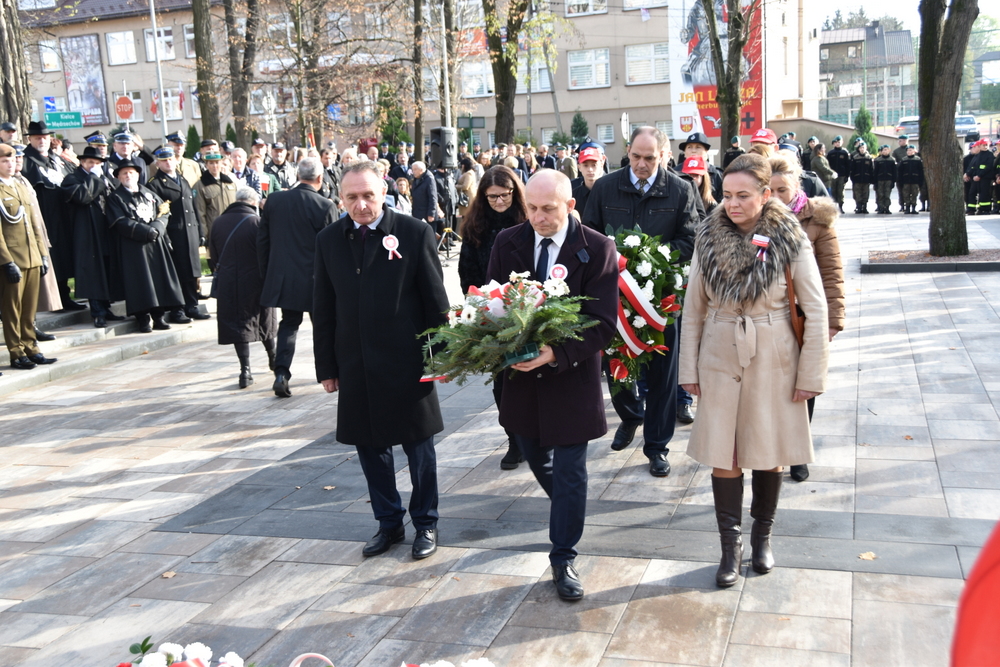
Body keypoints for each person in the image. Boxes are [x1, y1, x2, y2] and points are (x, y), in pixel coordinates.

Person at [679, 153, 829, 588]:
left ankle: (762, 537)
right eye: (726, 195)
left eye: (743, 195)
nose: (733, 204)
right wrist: (688, 369)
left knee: (768, 451)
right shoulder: (707, 237)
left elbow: (815, 311)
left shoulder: (791, 238)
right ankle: (731, 547)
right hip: (720, 353)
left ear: (766, 195)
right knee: (723, 454)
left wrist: (810, 376)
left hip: (775, 356)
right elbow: (693, 311)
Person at [486, 169, 618, 600]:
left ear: (570, 206)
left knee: (570, 469)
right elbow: (490, 303)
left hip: (571, 377)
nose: (538, 218)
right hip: (521, 379)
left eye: (548, 209)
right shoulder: (509, 242)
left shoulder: (597, 248)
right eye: (532, 208)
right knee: (531, 451)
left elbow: (602, 323)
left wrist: (555, 353)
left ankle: (563, 556)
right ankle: (566, 503)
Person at [313, 160, 450, 561]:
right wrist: (328, 367)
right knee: (371, 449)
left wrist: (437, 357)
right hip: (356, 365)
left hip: (408, 364)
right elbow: (322, 308)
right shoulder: (329, 240)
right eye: (351, 197)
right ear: (341, 199)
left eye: (368, 196)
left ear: (384, 193)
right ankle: (388, 523)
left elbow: (435, 304)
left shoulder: (413, 232)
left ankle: (426, 522)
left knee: (419, 449)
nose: (360, 205)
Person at [582, 126, 698, 477]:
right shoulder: (605, 187)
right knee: (614, 368)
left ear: (663, 155)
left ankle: (657, 446)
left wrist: (650, 256)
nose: (642, 164)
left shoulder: (681, 190)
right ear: (627, 152)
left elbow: (692, 239)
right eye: (636, 156)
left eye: (650, 158)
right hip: (614, 297)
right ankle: (631, 414)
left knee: (662, 377)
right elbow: (587, 233)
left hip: (662, 299)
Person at [768, 155, 845, 483]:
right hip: (768, 318)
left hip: (804, 318)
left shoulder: (818, 221)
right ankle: (772, 447)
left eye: (781, 190)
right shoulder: (757, 219)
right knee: (772, 386)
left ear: (797, 187)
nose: (775, 197)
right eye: (768, 190)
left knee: (804, 385)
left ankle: (798, 453)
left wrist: (832, 321)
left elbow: (832, 272)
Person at [458, 165, 529, 470]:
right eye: (492, 197)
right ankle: (514, 439)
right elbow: (467, 271)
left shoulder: (527, 220)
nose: (499, 202)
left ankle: (534, 438)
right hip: (492, 313)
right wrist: (479, 304)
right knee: (502, 383)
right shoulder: (476, 226)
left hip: (528, 310)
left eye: (505, 195)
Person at [258, 156, 338, 398]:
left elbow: (262, 242)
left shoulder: (274, 200)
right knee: (323, 326)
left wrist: (267, 275)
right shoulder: (325, 205)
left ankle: (281, 373)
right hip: (317, 280)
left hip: (284, 278)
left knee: (289, 324)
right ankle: (326, 373)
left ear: (297, 177)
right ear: (320, 179)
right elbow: (334, 250)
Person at [106, 158, 184, 333]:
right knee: (139, 283)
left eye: (131, 172)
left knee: (158, 280)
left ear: (137, 174)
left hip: (155, 244)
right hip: (133, 247)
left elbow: (164, 212)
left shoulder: (149, 193)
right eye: (124, 173)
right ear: (118, 176)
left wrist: (157, 228)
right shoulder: (115, 197)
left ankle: (159, 317)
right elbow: (120, 221)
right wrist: (144, 231)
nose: (128, 175)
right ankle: (142, 319)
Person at [210, 186, 277, 388]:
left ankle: (245, 371)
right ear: (254, 202)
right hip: (257, 281)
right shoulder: (258, 222)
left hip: (229, 283)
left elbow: (213, 255)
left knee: (238, 326)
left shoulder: (218, 222)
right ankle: (274, 359)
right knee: (265, 321)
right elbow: (268, 253)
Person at [0, 143, 56, 370]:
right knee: (12, 309)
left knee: (29, 308)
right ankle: (16, 352)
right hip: (13, 258)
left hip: (32, 256)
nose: (10, 164)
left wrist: (42, 254)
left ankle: (31, 347)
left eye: (12, 160)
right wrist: (6, 261)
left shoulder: (20, 186)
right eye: (4, 161)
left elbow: (33, 224)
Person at [60, 145, 123, 328]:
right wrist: (94, 177)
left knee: (106, 269)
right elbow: (82, 196)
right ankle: (97, 312)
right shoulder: (72, 179)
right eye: (90, 163)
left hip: (105, 230)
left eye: (97, 163)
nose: (93, 165)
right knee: (93, 272)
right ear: (82, 162)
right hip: (86, 233)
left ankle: (106, 307)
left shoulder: (105, 178)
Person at [21, 121, 79, 312]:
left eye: (45, 137)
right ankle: (54, 300)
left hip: (64, 216)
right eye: (38, 138)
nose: (42, 141)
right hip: (44, 218)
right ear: (30, 139)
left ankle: (64, 295)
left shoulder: (56, 159)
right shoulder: (26, 161)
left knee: (64, 257)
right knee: (52, 258)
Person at [147, 147, 209, 324]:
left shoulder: (181, 178)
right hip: (174, 234)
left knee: (191, 272)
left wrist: (200, 231)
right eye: (164, 160)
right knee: (177, 273)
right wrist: (164, 237)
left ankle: (191, 305)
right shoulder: (154, 184)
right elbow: (157, 215)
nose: (168, 162)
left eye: (171, 159)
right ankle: (177, 309)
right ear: (158, 163)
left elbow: (193, 207)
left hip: (190, 233)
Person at [194, 153, 237, 240]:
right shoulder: (200, 185)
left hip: (233, 229)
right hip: (215, 231)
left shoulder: (230, 183)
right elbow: (200, 212)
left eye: (217, 162)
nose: (215, 166)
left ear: (221, 163)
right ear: (206, 165)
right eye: (211, 163)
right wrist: (204, 235)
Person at [678, 132, 722, 201]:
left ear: (706, 151)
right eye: (689, 147)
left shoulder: (717, 174)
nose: (693, 151)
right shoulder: (675, 172)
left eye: (698, 147)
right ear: (684, 153)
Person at [570, 144, 605, 215]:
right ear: (579, 167)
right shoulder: (574, 195)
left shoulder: (611, 193)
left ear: (601, 165)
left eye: (594, 165)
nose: (590, 169)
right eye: (585, 165)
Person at [965, 138, 995, 215]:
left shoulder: (990, 155)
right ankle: (971, 209)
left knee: (984, 193)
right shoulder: (978, 155)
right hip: (976, 178)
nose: (985, 146)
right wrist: (969, 174)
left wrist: (979, 175)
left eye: (986, 145)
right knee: (972, 193)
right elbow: (973, 166)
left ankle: (984, 209)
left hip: (985, 177)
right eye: (983, 145)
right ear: (980, 146)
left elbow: (988, 167)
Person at [827, 136, 851, 214]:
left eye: (839, 142)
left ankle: (840, 206)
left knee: (840, 191)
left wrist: (847, 176)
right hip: (833, 175)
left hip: (842, 175)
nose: (837, 144)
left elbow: (848, 165)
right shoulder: (831, 153)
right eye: (836, 142)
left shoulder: (844, 153)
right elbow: (828, 165)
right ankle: (834, 207)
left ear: (842, 142)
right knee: (833, 191)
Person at [898, 145, 924, 215]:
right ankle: (907, 208)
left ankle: (913, 208)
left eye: (911, 150)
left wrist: (920, 181)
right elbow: (900, 171)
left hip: (915, 181)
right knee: (906, 195)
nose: (909, 151)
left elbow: (921, 171)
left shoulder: (918, 160)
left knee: (914, 194)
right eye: (908, 150)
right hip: (906, 181)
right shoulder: (904, 160)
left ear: (914, 151)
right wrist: (900, 181)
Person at [850, 140, 875, 214]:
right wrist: (853, 178)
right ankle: (859, 207)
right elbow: (852, 169)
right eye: (861, 148)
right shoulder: (855, 158)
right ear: (858, 149)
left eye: (863, 148)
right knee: (858, 194)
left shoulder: (869, 158)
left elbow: (871, 169)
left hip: (866, 179)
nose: (862, 149)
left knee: (865, 194)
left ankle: (865, 207)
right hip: (857, 179)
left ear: (866, 148)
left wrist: (872, 179)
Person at [409, 161, 437, 225]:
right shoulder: (416, 179)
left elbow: (433, 197)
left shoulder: (429, 179)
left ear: (421, 170)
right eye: (412, 169)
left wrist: (431, 213)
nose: (413, 172)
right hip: (417, 213)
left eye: (415, 169)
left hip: (426, 214)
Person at [873, 145, 897, 215]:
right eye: (883, 150)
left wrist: (893, 181)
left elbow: (894, 172)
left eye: (886, 150)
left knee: (887, 195)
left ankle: (887, 208)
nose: (885, 151)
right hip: (880, 180)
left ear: (889, 150)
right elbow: (875, 172)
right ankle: (881, 208)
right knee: (880, 194)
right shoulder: (878, 160)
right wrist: (875, 182)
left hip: (888, 180)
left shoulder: (892, 160)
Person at [891, 135, 910, 213]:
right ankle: (902, 205)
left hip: (910, 174)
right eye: (899, 141)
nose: (899, 142)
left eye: (900, 141)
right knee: (901, 191)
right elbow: (893, 162)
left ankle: (909, 205)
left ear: (905, 141)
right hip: (900, 174)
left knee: (909, 191)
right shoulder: (896, 151)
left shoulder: (911, 149)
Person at [455, 157, 477, 223]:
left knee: (467, 217)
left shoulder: (469, 174)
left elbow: (465, 186)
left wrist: (456, 186)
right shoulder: (468, 173)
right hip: (466, 198)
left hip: (468, 199)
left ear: (464, 165)